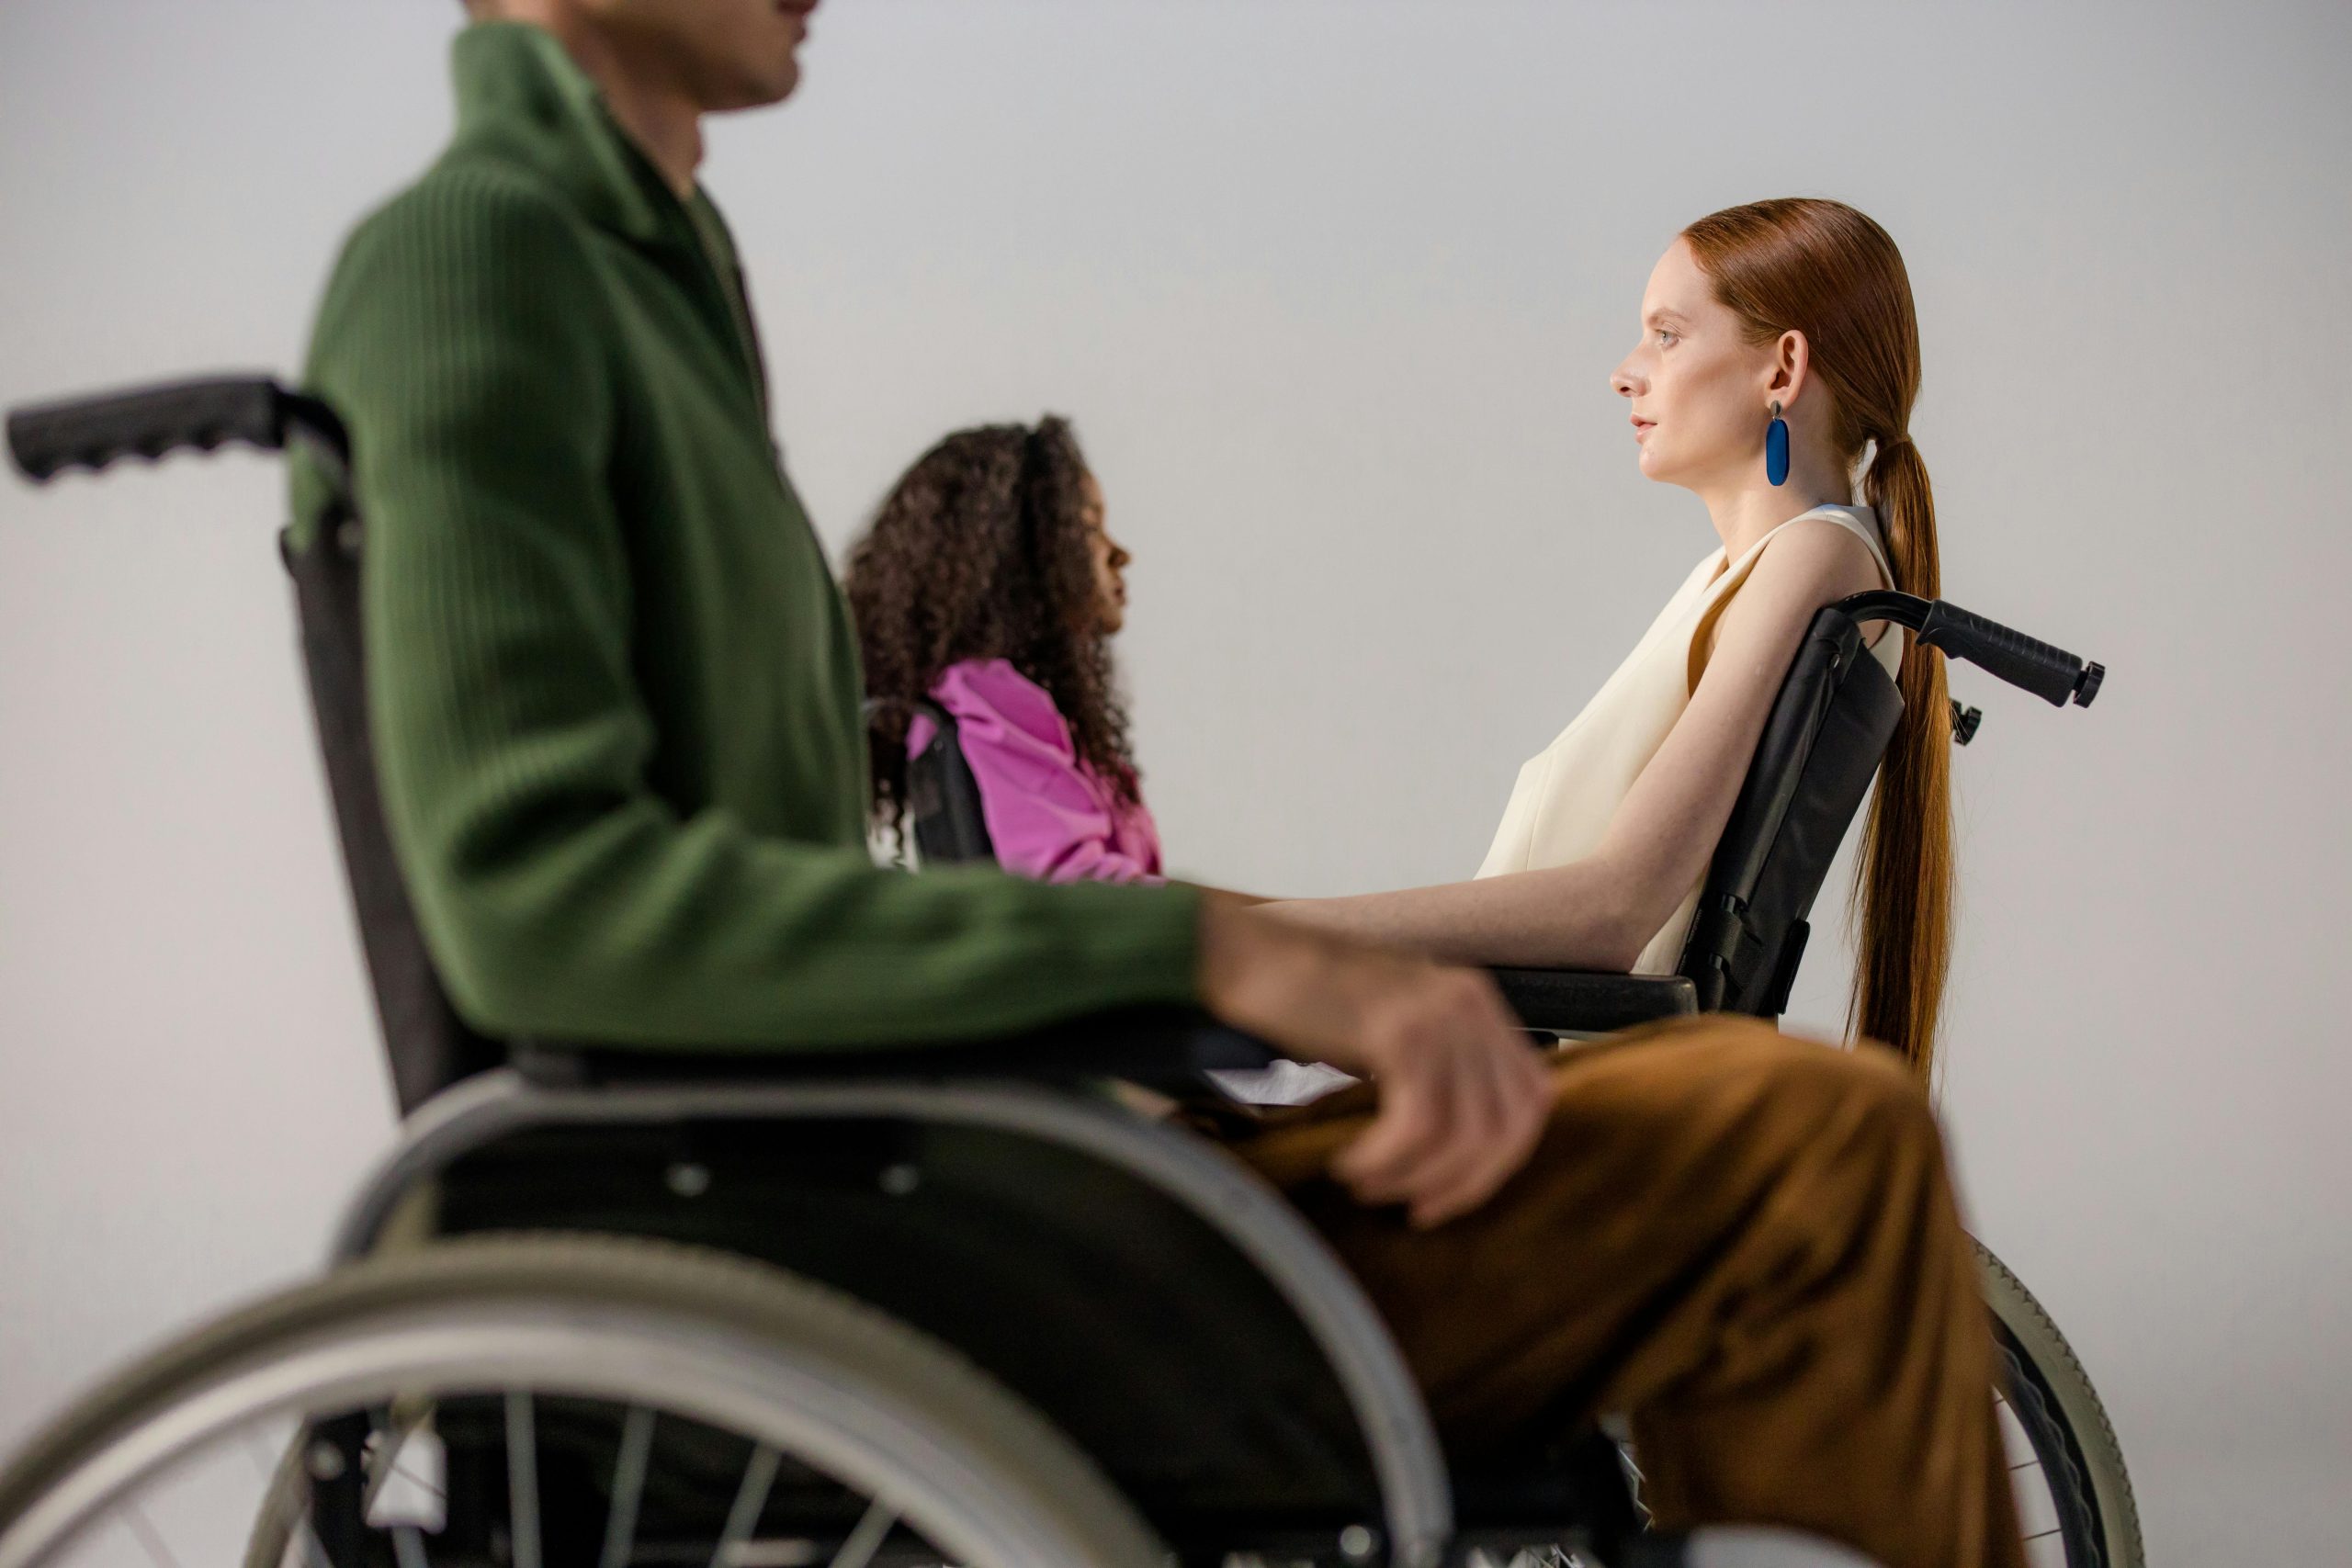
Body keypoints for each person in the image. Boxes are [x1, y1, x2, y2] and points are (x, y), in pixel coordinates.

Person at [290, 5, 2024, 1564]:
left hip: (941, 1187)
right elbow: (544, 905)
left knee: (1812, 1137)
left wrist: (1195, 982)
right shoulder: (488, 262)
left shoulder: (649, 274)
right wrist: (1209, 957)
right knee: (1813, 1153)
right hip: (879, 1251)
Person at [1270, 199, 1955, 1077]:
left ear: (1782, 367)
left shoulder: (1817, 557)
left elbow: (1615, 908)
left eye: (1667, 335)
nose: (1626, 374)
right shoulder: (1741, 577)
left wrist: (1251, 937)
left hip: (1530, 1093)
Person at [847, 418, 1162, 884]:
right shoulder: (986, 696)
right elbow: (1077, 890)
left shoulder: (1033, 710)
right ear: (1026, 551)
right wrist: (1278, 921)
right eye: (1089, 527)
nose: (1119, 553)